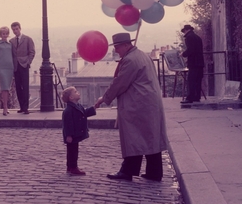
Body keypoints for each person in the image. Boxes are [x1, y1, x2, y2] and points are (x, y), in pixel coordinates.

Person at [94, 33, 168, 182]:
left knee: (133, 137)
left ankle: (127, 171)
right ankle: (154, 172)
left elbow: (120, 83)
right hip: (148, 102)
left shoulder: (130, 60)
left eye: (117, 47)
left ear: (126, 45)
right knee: (150, 137)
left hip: (138, 104)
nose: (116, 50)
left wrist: (104, 98)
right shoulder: (141, 55)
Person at [62, 86, 96, 176]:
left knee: (71, 150)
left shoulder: (77, 106)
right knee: (73, 151)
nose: (78, 93)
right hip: (72, 134)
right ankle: (73, 167)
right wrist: (68, 135)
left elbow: (84, 113)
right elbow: (67, 124)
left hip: (75, 133)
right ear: (71, 97)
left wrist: (94, 108)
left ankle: (70, 166)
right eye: (76, 92)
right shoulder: (69, 110)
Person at [10, 22, 35, 114]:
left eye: (16, 29)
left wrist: (28, 62)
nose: (15, 31)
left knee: (25, 87)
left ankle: (26, 107)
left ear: (20, 28)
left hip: (24, 65)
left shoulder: (28, 39)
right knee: (18, 87)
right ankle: (21, 107)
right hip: (16, 66)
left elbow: (32, 52)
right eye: (13, 30)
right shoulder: (11, 41)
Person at [0, 26, 15, 115]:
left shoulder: (10, 44)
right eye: (3, 34)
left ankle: (6, 106)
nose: (4, 35)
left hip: (10, 68)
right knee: (4, 87)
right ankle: (4, 107)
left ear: (8, 34)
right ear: (0, 34)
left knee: (7, 89)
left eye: (6, 34)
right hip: (1, 68)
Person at [180, 24, 204, 104]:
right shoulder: (198, 37)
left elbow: (191, 49)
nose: (184, 33)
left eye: (184, 31)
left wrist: (183, 54)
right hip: (200, 62)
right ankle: (197, 97)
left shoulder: (189, 37)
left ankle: (190, 98)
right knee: (198, 80)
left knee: (191, 80)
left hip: (193, 62)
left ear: (186, 30)